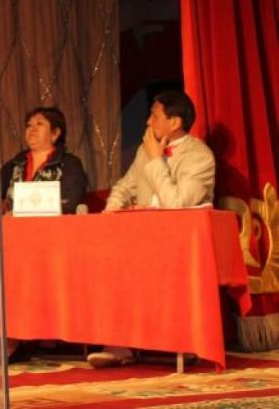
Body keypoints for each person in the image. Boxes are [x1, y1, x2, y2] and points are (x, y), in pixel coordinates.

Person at [87, 90, 215, 368]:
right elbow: (125, 186)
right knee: (107, 259)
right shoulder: (145, 151)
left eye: (154, 116)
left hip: (179, 244)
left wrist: (157, 160)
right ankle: (118, 344)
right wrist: (111, 211)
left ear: (175, 122)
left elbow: (176, 203)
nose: (147, 122)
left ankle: (181, 340)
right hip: (142, 238)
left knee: (143, 264)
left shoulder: (200, 157)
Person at [0, 107, 88, 214]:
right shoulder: (15, 163)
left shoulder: (69, 164)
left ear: (55, 133)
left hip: (52, 224)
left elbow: (71, 201)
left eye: (39, 124)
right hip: (13, 223)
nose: (32, 129)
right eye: (29, 125)